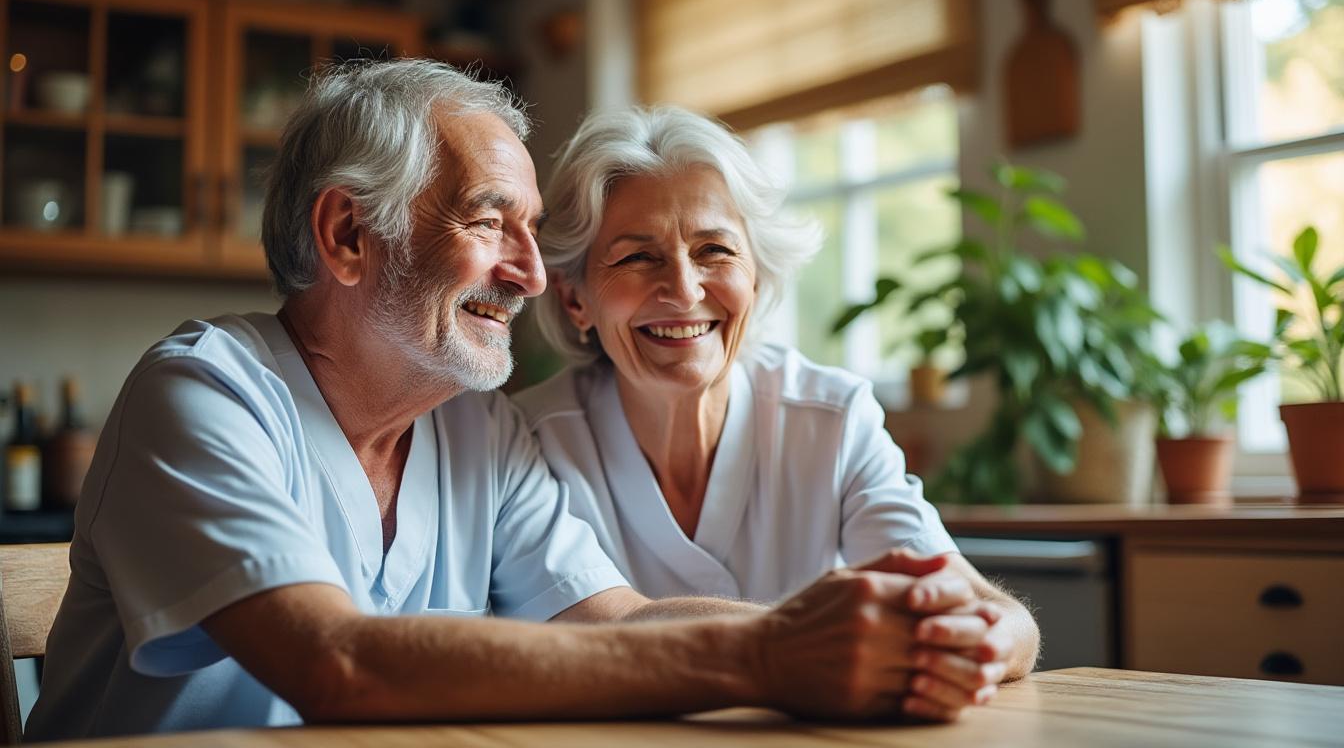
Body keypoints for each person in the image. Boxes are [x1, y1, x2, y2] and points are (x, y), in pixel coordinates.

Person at [26, 61, 1001, 741]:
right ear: (349, 236)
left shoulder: (480, 430)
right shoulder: (205, 393)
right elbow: (337, 664)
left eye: (534, 232)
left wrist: (834, 629)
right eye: (494, 223)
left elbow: (617, 623)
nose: (535, 276)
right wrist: (768, 659)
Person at [515, 105, 1041, 711]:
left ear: (757, 280)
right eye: (637, 257)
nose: (685, 290)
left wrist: (983, 641)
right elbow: (590, 625)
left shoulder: (833, 416)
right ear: (575, 298)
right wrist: (822, 641)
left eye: (715, 249)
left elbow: (987, 610)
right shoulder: (527, 439)